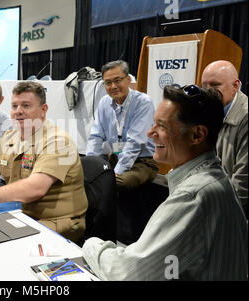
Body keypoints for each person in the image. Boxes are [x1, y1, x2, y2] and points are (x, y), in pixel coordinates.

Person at [83, 85, 248, 280]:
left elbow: (127, 272)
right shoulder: (216, 181)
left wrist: (90, 244)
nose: (150, 133)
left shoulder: (193, 197)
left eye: (161, 126)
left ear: (197, 135)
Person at [0, 81, 88, 242]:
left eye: (26, 106)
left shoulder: (57, 141)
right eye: (14, 106)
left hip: (56, 222)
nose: (18, 111)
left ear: (43, 110)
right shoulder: (10, 137)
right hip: (20, 214)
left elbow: (35, 188)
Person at [86, 60, 158, 191]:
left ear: (128, 79)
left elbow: (135, 143)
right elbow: (95, 137)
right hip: (115, 157)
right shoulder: (104, 103)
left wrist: (117, 171)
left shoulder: (143, 102)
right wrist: (92, 167)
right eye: (108, 83)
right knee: (84, 176)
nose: (113, 86)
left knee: (114, 182)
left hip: (142, 162)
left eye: (117, 80)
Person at [201, 60, 247, 216]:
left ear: (235, 86)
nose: (208, 91)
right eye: (204, 86)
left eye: (214, 85)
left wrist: (216, 214)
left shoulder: (245, 118)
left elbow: (242, 184)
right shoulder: (208, 111)